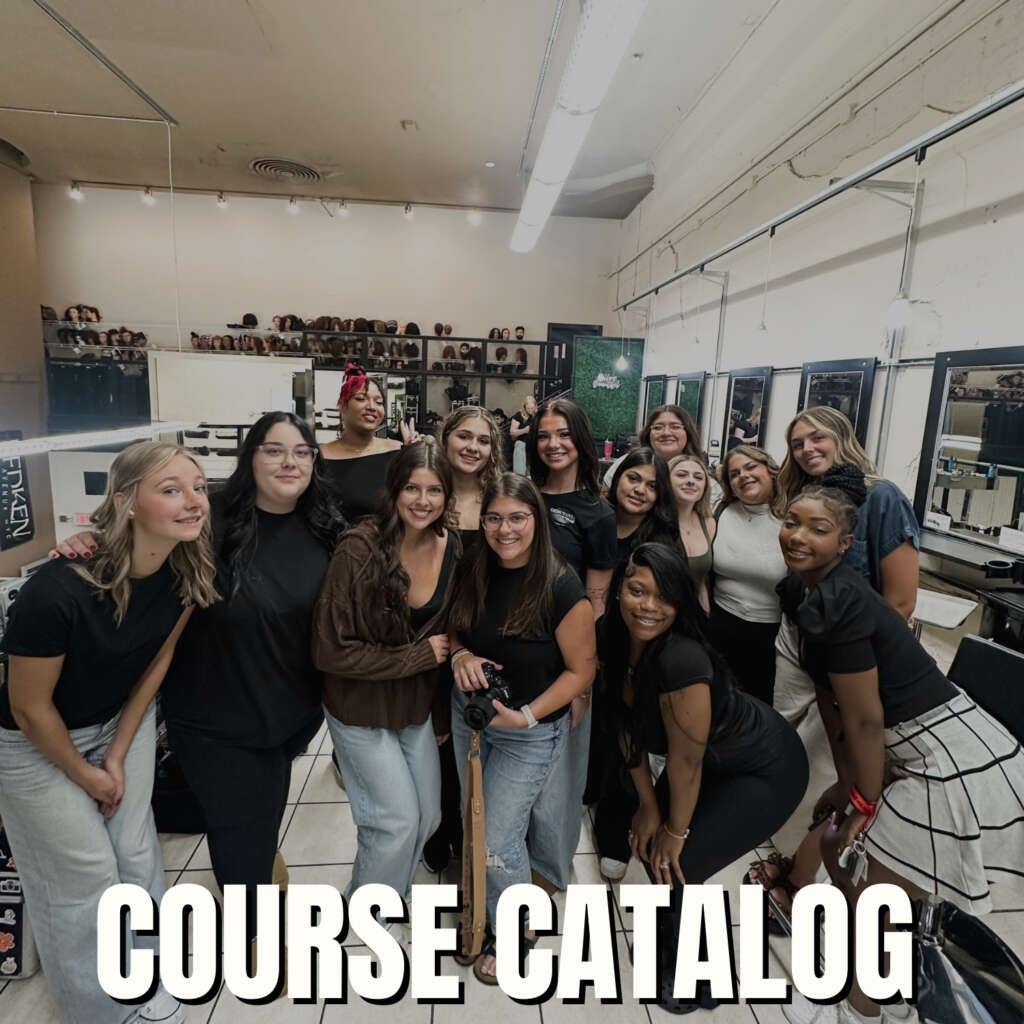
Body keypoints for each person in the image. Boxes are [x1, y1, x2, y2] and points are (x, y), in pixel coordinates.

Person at [55, 415, 348, 964]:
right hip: (215, 712)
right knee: (236, 824)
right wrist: (89, 540)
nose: (290, 463)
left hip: (290, 709)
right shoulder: (208, 519)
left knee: (260, 811)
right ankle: (253, 937)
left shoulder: (325, 528)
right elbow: (139, 537)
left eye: (303, 452)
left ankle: (259, 866)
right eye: (274, 451)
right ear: (249, 458)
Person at [776, 469, 1024, 1024]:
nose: (797, 536)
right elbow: (844, 715)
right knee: (854, 878)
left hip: (947, 759)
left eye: (817, 528)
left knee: (872, 896)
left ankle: (864, 1009)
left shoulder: (839, 603)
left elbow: (865, 720)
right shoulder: (817, 592)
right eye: (791, 522)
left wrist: (862, 803)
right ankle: (869, 1003)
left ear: (845, 543)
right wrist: (850, 789)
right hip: (926, 744)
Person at [0, 442, 218, 1024]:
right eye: (170, 489)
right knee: (81, 879)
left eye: (197, 487)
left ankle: (146, 974)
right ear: (125, 501)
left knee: (135, 850)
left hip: (119, 722)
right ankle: (99, 1010)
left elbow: (156, 663)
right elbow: (28, 708)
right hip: (31, 745)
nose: (193, 501)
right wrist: (87, 774)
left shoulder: (184, 567)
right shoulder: (57, 590)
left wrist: (117, 755)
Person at [600, 543, 807, 1013]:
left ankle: (703, 976)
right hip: (714, 760)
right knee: (659, 858)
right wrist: (649, 808)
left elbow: (684, 762)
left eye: (664, 597)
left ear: (681, 604)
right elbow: (623, 725)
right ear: (618, 592)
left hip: (766, 768)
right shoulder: (610, 639)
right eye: (636, 591)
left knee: (679, 862)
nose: (649, 607)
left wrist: (675, 830)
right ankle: (684, 959)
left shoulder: (681, 660)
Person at [753, 408, 922, 917]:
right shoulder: (808, 502)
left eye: (816, 437)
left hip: (859, 661)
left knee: (848, 768)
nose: (806, 448)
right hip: (812, 651)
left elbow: (900, 602)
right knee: (802, 752)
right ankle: (797, 863)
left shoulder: (882, 496)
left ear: (843, 436)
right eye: (797, 442)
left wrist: (851, 664)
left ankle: (807, 880)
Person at [448, 473, 595, 985]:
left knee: (498, 837)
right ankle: (486, 908)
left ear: (536, 520)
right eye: (493, 517)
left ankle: (521, 925)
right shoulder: (474, 565)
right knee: (478, 822)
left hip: (529, 730)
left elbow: (582, 670)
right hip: (474, 719)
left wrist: (529, 715)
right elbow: (454, 626)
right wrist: (462, 654)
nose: (503, 529)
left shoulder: (560, 584)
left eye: (516, 518)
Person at [313, 442, 458, 907]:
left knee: (429, 817)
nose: (423, 500)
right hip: (359, 708)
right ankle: (371, 910)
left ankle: (383, 891)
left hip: (414, 707)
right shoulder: (359, 547)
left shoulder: (451, 546)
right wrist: (417, 658)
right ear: (394, 490)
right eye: (412, 488)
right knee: (394, 822)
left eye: (434, 490)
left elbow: (449, 638)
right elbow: (330, 651)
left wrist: (438, 713)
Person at [526, 397, 617, 889]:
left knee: (560, 781)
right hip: (515, 650)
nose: (553, 444)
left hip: (566, 657)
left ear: (580, 441)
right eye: (543, 435)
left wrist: (584, 678)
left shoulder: (597, 512)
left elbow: (597, 600)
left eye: (563, 434)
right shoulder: (522, 494)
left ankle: (548, 872)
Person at [421, 407, 506, 874]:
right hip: (432, 634)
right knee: (436, 740)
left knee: (478, 739)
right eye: (464, 437)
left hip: (482, 633)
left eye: (484, 440)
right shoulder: (428, 494)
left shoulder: (497, 497)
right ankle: (441, 831)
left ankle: (476, 833)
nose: (473, 447)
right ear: (446, 439)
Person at [709, 444, 787, 706]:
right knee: (721, 703)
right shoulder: (721, 512)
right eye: (734, 473)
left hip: (771, 635)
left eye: (751, 467)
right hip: (721, 626)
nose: (743, 475)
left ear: (771, 470)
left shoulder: (793, 517)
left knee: (761, 706)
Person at [320, 363, 403, 520]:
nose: (372, 407)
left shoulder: (397, 452)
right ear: (342, 405)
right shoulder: (319, 455)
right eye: (361, 398)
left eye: (379, 402)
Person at [602, 403, 702, 491]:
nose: (666, 433)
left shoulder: (698, 474)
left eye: (675, 427)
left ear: (688, 432)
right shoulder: (626, 462)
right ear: (648, 433)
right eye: (658, 427)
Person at [606, 447, 681, 563]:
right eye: (633, 479)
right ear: (617, 477)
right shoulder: (594, 519)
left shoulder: (664, 542)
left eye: (652, 486)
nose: (640, 490)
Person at [669, 453, 716, 612]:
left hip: (692, 617)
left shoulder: (709, 523)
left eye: (698, 477)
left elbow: (701, 582)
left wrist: (705, 617)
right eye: (681, 475)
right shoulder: (650, 521)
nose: (690, 481)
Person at [509, 394, 537, 475]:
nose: (530, 410)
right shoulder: (519, 415)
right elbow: (512, 432)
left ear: (535, 406)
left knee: (532, 474)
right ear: (524, 407)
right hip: (521, 445)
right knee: (520, 474)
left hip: (533, 447)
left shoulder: (536, 416)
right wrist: (525, 430)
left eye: (532, 408)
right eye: (528, 408)